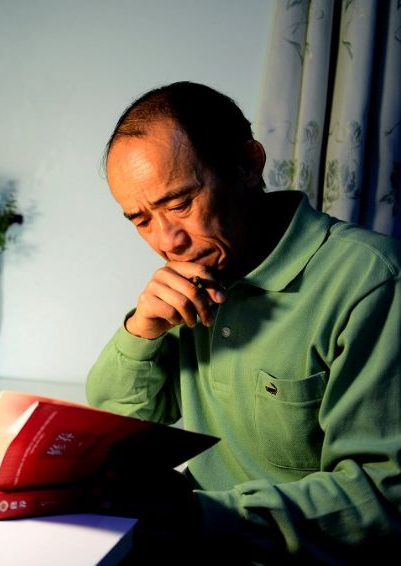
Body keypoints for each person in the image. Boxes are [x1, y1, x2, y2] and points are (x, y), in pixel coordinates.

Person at [86, 81, 401, 563]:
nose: (166, 241)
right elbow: (119, 427)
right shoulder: (196, 275)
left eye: (179, 204)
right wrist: (142, 330)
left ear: (248, 165)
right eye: (141, 219)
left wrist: (195, 518)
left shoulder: (371, 280)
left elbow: (382, 496)